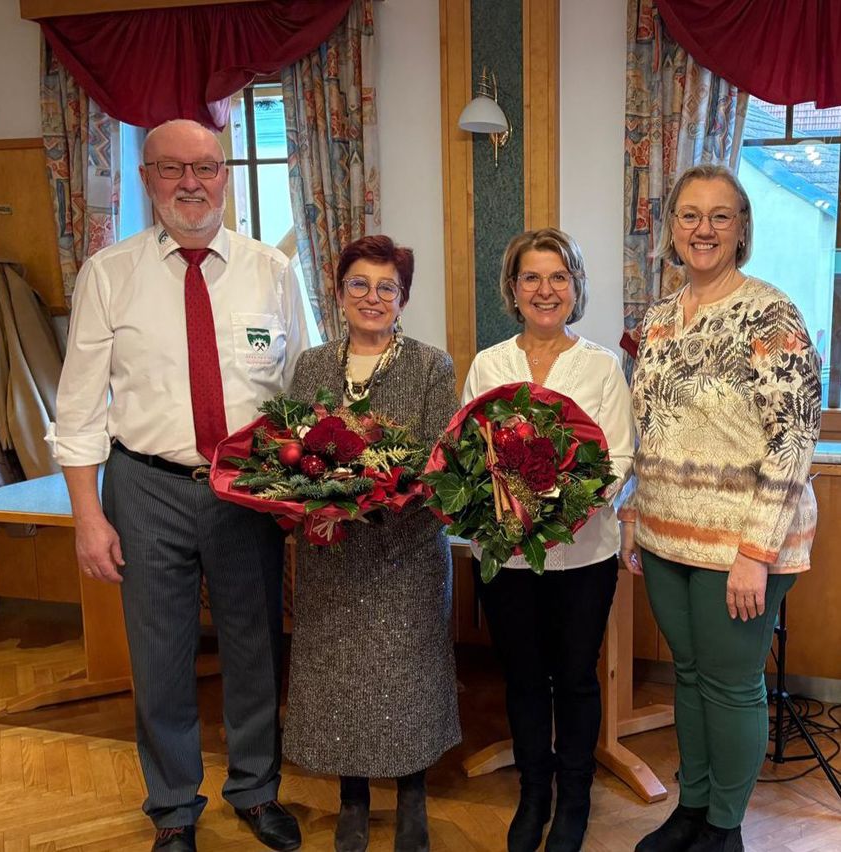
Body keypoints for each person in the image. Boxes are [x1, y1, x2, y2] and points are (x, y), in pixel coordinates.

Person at [46, 119, 308, 852]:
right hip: (146, 484)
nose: (190, 182)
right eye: (170, 168)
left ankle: (256, 790)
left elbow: (297, 391)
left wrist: (294, 493)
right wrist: (88, 517)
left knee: (255, 644)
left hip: (246, 486)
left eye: (204, 167)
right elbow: (77, 407)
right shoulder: (108, 273)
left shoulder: (271, 271)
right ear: (145, 177)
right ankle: (172, 808)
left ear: (225, 175)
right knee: (159, 653)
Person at [621, 164, 821, 852]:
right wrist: (632, 515)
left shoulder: (771, 314)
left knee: (732, 686)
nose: (702, 229)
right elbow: (647, 427)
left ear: (741, 231)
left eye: (720, 216)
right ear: (672, 230)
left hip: (743, 544)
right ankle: (692, 808)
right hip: (666, 533)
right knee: (689, 675)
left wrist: (754, 555)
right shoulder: (658, 318)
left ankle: (725, 830)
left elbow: (795, 438)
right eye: (689, 215)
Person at [282, 235, 460, 852]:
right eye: (359, 283)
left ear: (404, 298)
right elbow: (293, 459)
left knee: (407, 678)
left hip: (404, 553)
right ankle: (351, 800)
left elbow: (442, 464)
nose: (372, 297)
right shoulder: (310, 366)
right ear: (338, 292)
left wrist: (387, 503)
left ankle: (413, 797)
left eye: (387, 287)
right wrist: (320, 502)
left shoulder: (431, 366)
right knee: (339, 682)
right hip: (330, 553)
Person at [461, 228, 635, 852]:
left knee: (576, 678)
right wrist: (512, 512)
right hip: (505, 556)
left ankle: (575, 797)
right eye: (531, 278)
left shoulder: (600, 366)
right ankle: (534, 793)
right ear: (512, 288)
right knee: (524, 678)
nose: (545, 289)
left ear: (575, 288)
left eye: (558, 277)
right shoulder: (489, 364)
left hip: (585, 553)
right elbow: (469, 454)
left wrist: (555, 512)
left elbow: (616, 457)